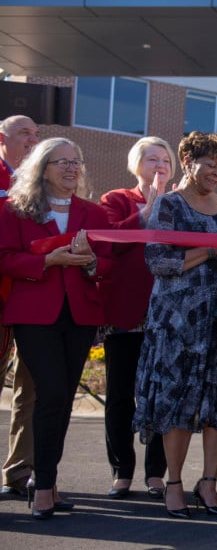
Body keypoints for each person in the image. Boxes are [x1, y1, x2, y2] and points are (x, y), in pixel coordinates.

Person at [133, 131, 217, 520]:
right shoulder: (168, 205)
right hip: (177, 322)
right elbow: (158, 262)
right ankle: (175, 483)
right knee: (177, 401)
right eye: (209, 165)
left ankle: (210, 483)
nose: (216, 173)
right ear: (188, 163)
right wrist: (210, 249)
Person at [0, 137, 111, 519]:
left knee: (61, 398)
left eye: (75, 161)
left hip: (80, 315)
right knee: (50, 393)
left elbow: (107, 266)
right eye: (61, 161)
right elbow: (6, 259)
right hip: (34, 314)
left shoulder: (93, 213)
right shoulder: (16, 210)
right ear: (42, 167)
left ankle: (46, 477)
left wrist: (90, 262)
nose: (71, 168)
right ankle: (43, 485)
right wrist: (48, 261)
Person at [99, 135, 174, 500]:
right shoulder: (116, 199)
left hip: (167, 316)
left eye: (165, 161)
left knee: (161, 395)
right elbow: (110, 241)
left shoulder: (179, 203)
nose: (160, 166)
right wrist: (149, 206)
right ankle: (122, 470)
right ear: (136, 164)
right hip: (126, 314)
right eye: (152, 160)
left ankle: (155, 473)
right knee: (120, 395)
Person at [0, 114, 40, 498]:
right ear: (2, 138)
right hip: (1, 294)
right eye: (24, 133)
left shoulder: (44, 185)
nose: (32, 139)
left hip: (31, 298)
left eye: (35, 134)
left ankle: (19, 470)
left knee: (30, 388)